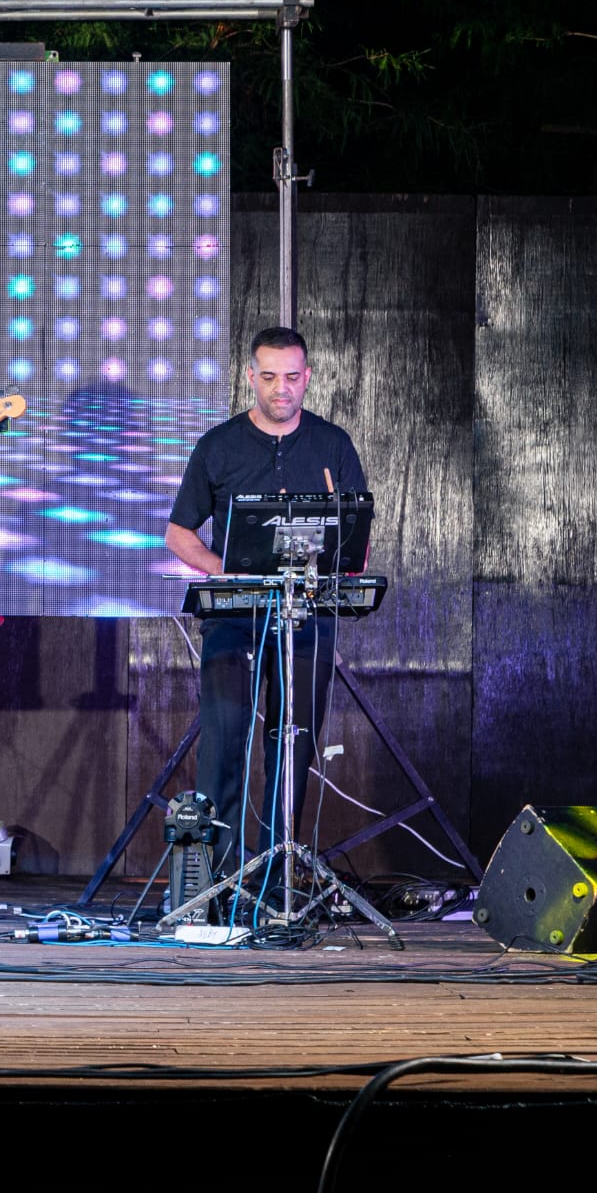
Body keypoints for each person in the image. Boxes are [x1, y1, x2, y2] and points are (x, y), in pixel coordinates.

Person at [165, 325, 368, 864]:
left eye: (293, 378)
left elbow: (357, 545)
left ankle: (274, 873)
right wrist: (224, 570)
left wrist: (338, 568)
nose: (282, 389)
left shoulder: (333, 445)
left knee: (292, 741)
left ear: (308, 379)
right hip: (234, 618)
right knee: (224, 744)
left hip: (306, 618)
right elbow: (178, 533)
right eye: (271, 377)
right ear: (250, 376)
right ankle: (219, 877)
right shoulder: (218, 445)